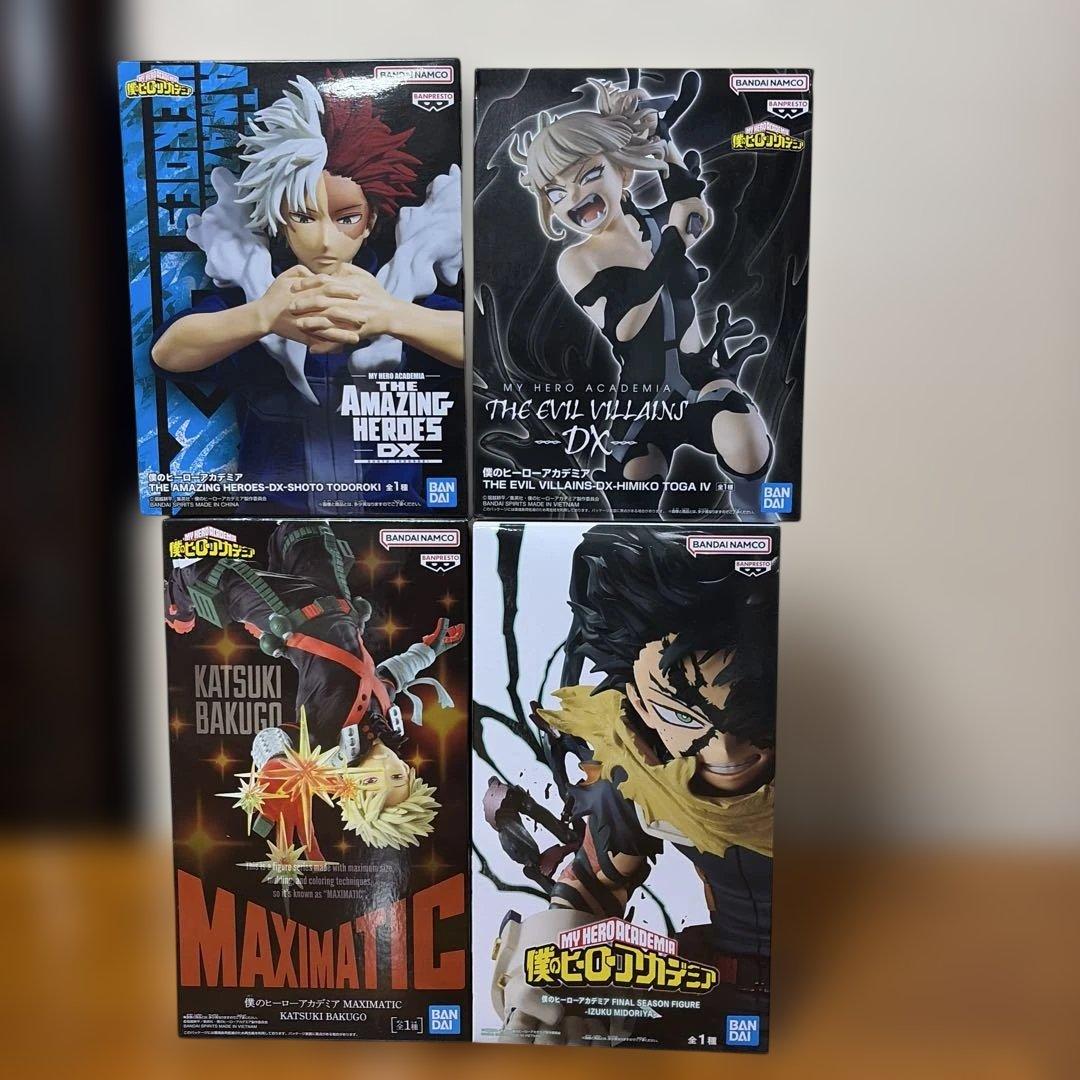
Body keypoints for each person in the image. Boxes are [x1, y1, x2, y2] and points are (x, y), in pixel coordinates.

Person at [152, 75, 463, 513]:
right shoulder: (256, 293)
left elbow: (481, 349)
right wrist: (261, 318)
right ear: (280, 221)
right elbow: (168, 353)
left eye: (347, 218)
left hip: (391, 522)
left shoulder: (403, 289)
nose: (325, 241)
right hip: (275, 524)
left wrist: (394, 316)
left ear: (371, 221)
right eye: (303, 217)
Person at [512, 78, 772, 513]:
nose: (575, 196)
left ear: (623, 172)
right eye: (556, 192)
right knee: (631, 494)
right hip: (641, 397)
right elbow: (625, 326)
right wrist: (670, 248)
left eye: (588, 175)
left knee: (747, 443)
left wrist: (663, 141)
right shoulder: (577, 260)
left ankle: (757, 521)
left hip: (697, 375)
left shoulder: (657, 224)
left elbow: (694, 208)